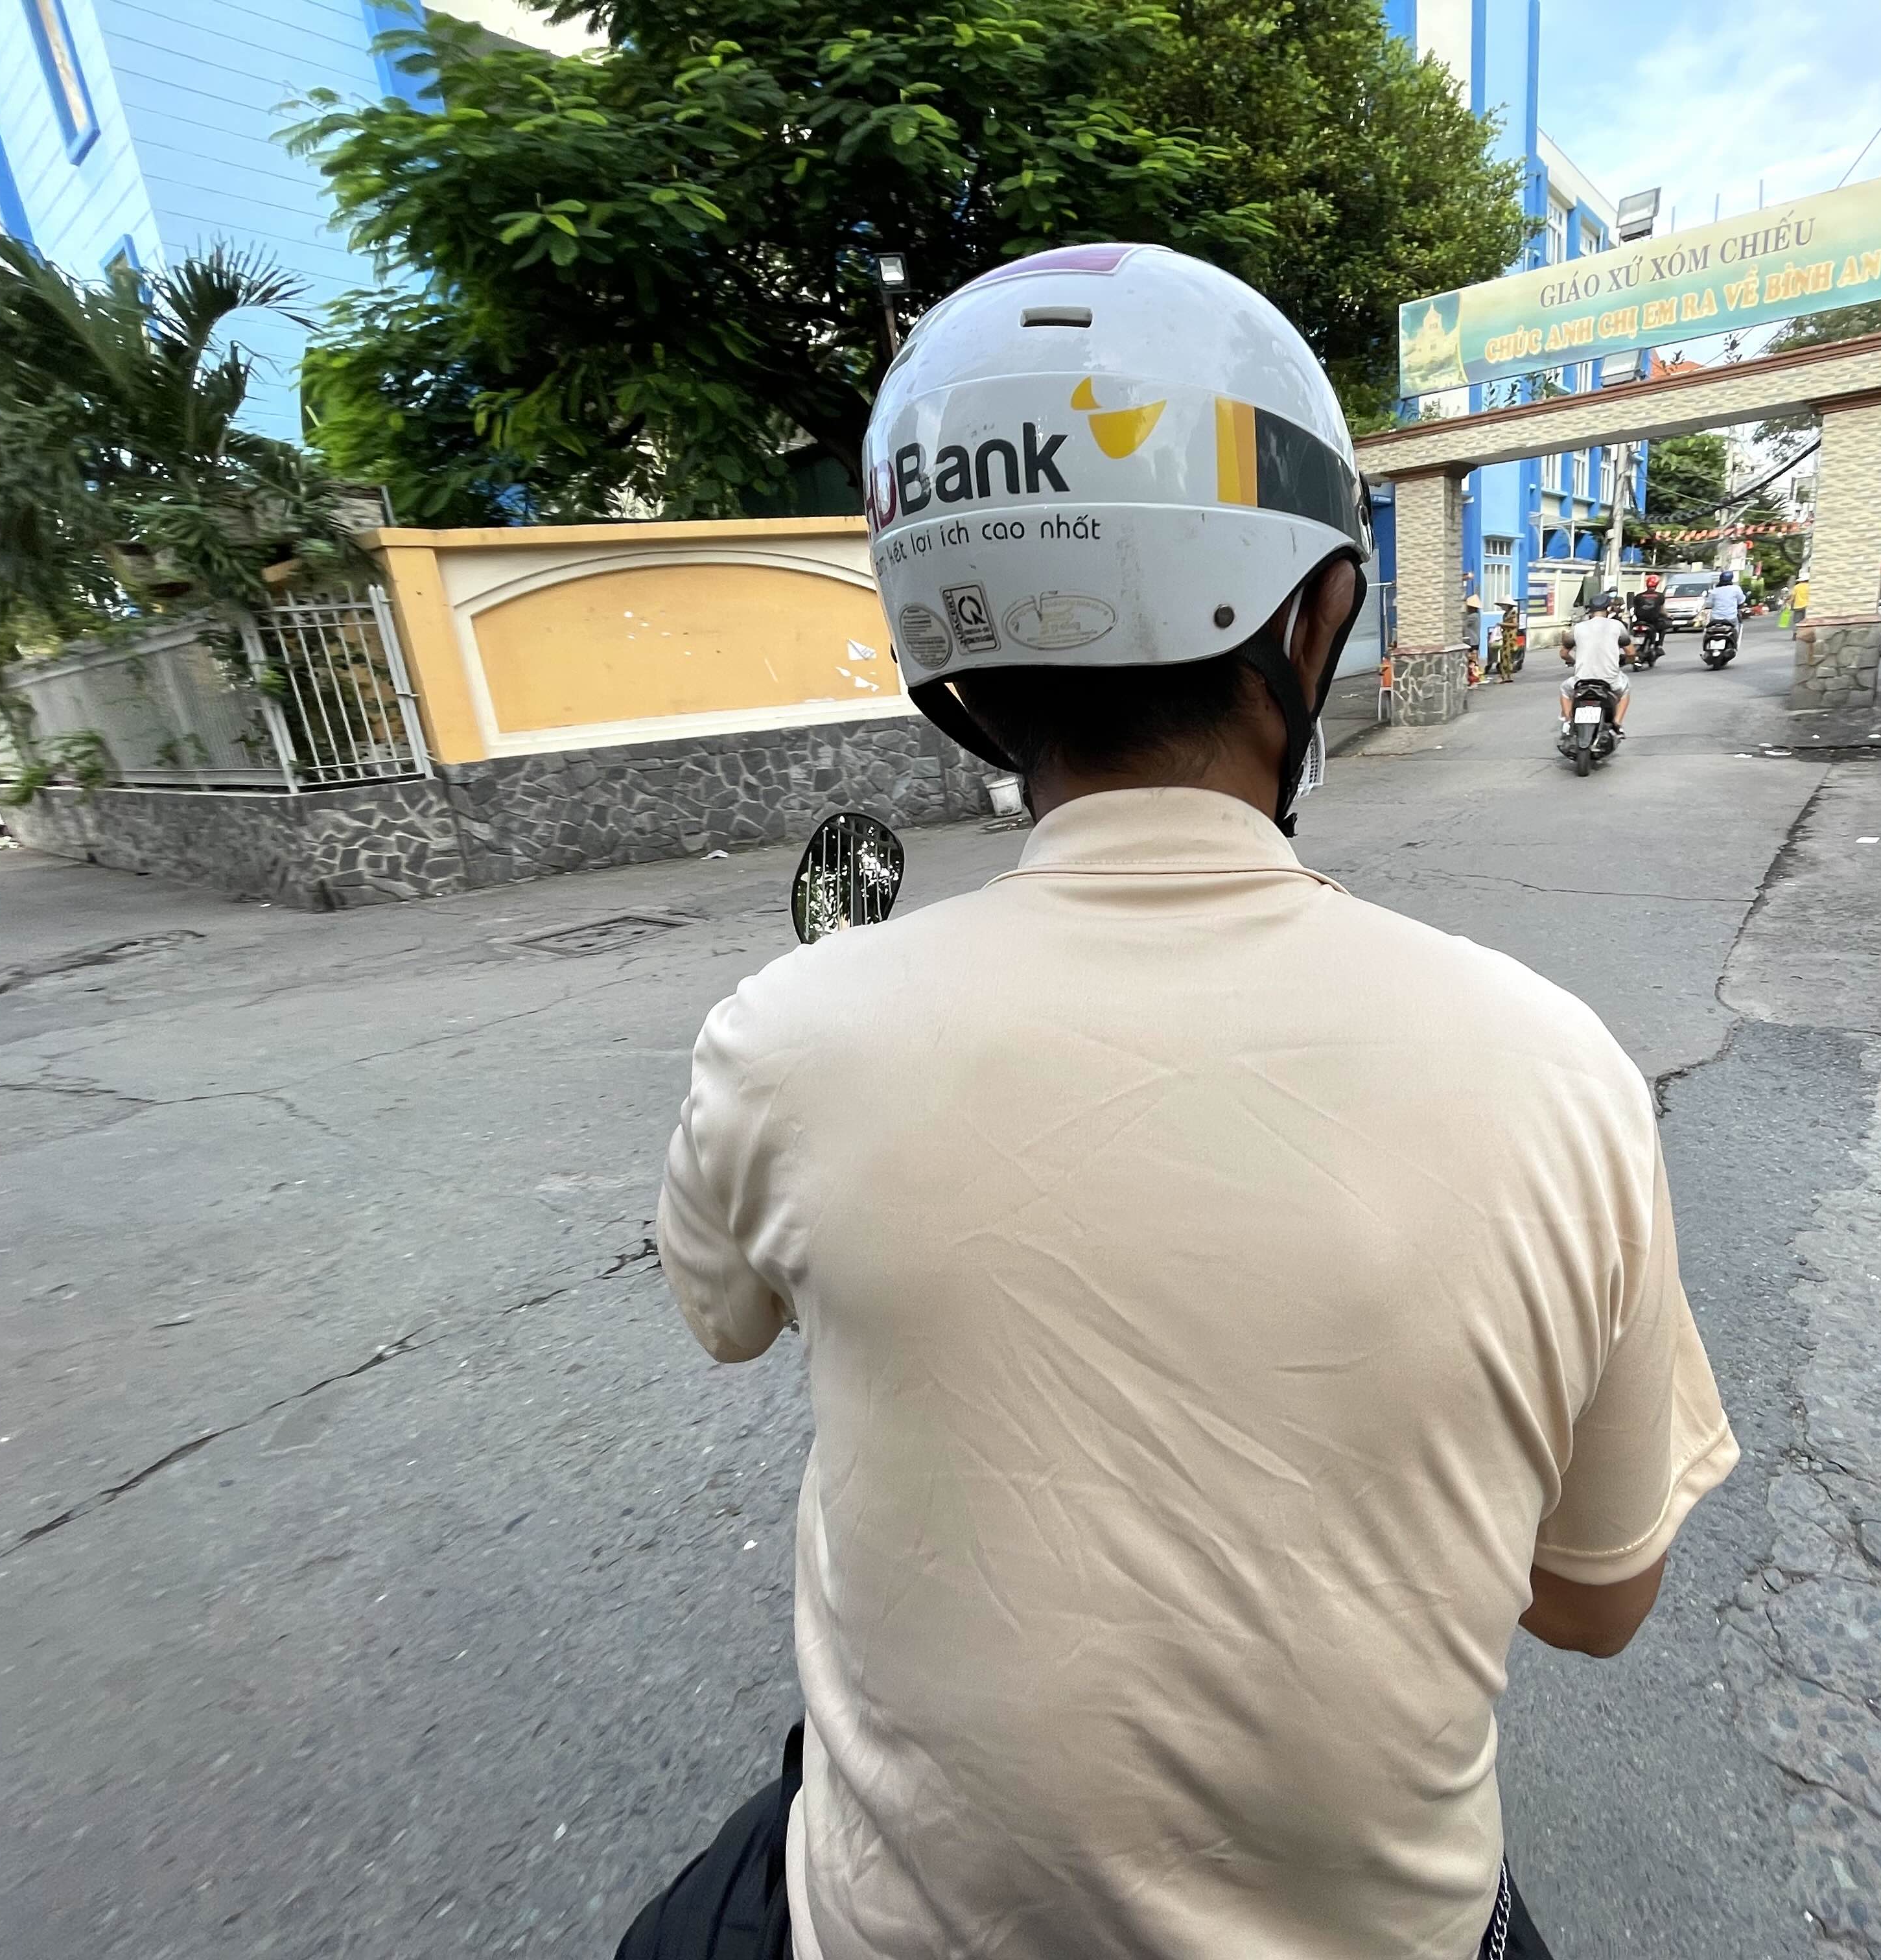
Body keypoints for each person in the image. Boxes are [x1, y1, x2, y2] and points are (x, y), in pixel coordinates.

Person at [640, 244, 1738, 1960]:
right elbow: (1596, 1600)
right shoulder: (1559, 1069)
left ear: (947, 647)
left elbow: (722, 1317)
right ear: (1317, 615)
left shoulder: (784, 1033)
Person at [1560, 590, 1635, 751]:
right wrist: (1626, 661)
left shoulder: (1578, 628)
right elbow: (1631, 652)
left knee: (1565, 690)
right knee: (1625, 690)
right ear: (1608, 609)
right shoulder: (1617, 626)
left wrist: (1574, 662)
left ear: (1590, 610)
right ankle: (1617, 723)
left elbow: (1564, 653)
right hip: (1610, 681)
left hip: (1581, 680)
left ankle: (1568, 721)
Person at [1626, 572, 1668, 668]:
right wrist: (1668, 616)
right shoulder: (1660, 596)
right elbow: (1662, 610)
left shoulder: (1639, 596)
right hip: (1653, 622)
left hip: (1639, 622)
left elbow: (1634, 609)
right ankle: (1658, 646)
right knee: (1663, 628)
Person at [1703, 569, 1744, 655]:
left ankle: (1706, 648)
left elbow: (1709, 604)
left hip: (1715, 619)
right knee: (1737, 627)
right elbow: (1741, 601)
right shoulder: (1736, 589)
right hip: (1731, 618)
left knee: (1707, 631)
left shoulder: (1714, 591)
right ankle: (1734, 645)